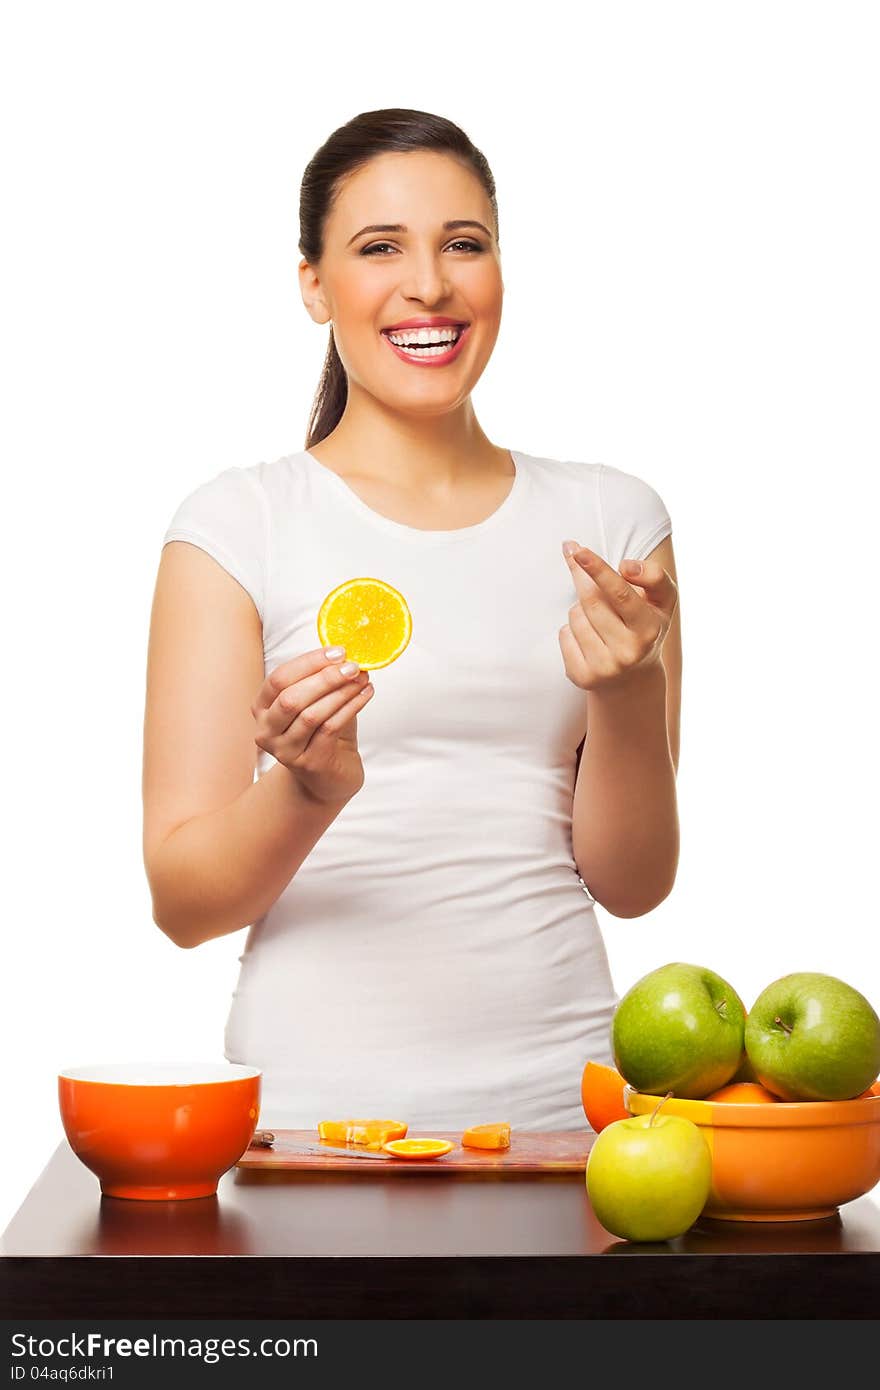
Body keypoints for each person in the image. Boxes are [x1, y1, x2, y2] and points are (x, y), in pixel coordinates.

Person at [142, 108, 681, 1131]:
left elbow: (634, 882)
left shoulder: (614, 525)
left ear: (499, 271)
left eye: (462, 245)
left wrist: (627, 691)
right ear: (313, 283)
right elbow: (184, 904)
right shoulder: (235, 525)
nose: (428, 284)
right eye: (378, 247)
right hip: (310, 1124)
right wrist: (306, 788)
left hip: (567, 1122)